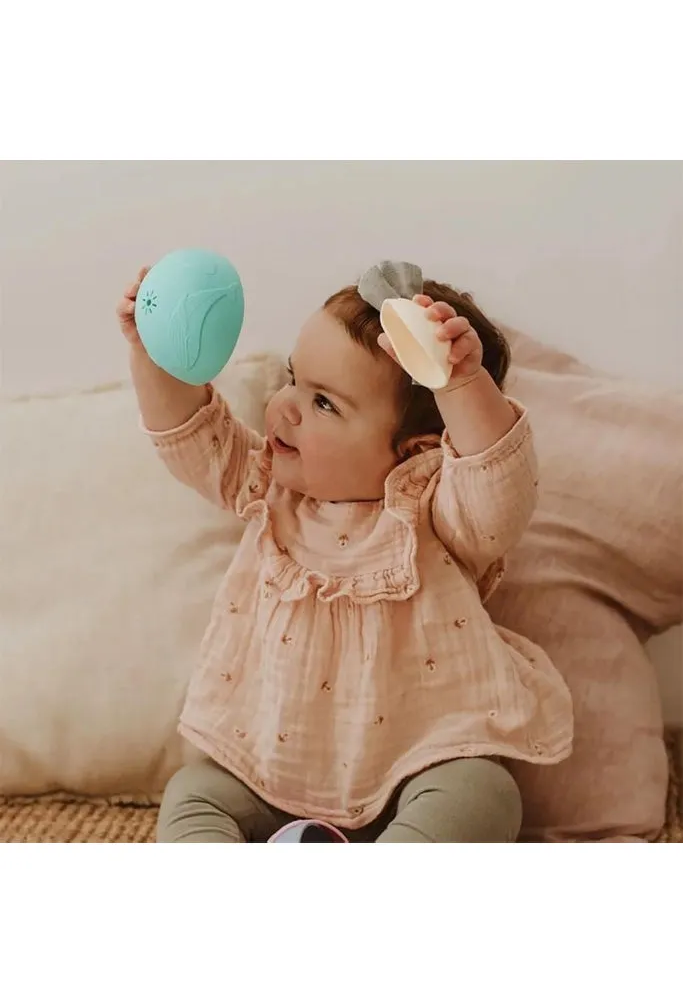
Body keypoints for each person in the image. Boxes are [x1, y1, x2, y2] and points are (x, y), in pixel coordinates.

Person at [117, 260, 573, 843]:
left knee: (483, 793)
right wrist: (154, 353)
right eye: (292, 379)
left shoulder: (435, 513)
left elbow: (499, 489)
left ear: (416, 450)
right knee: (194, 794)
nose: (284, 406)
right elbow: (189, 434)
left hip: (418, 762)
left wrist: (459, 382)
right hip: (267, 767)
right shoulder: (266, 489)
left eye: (324, 403)